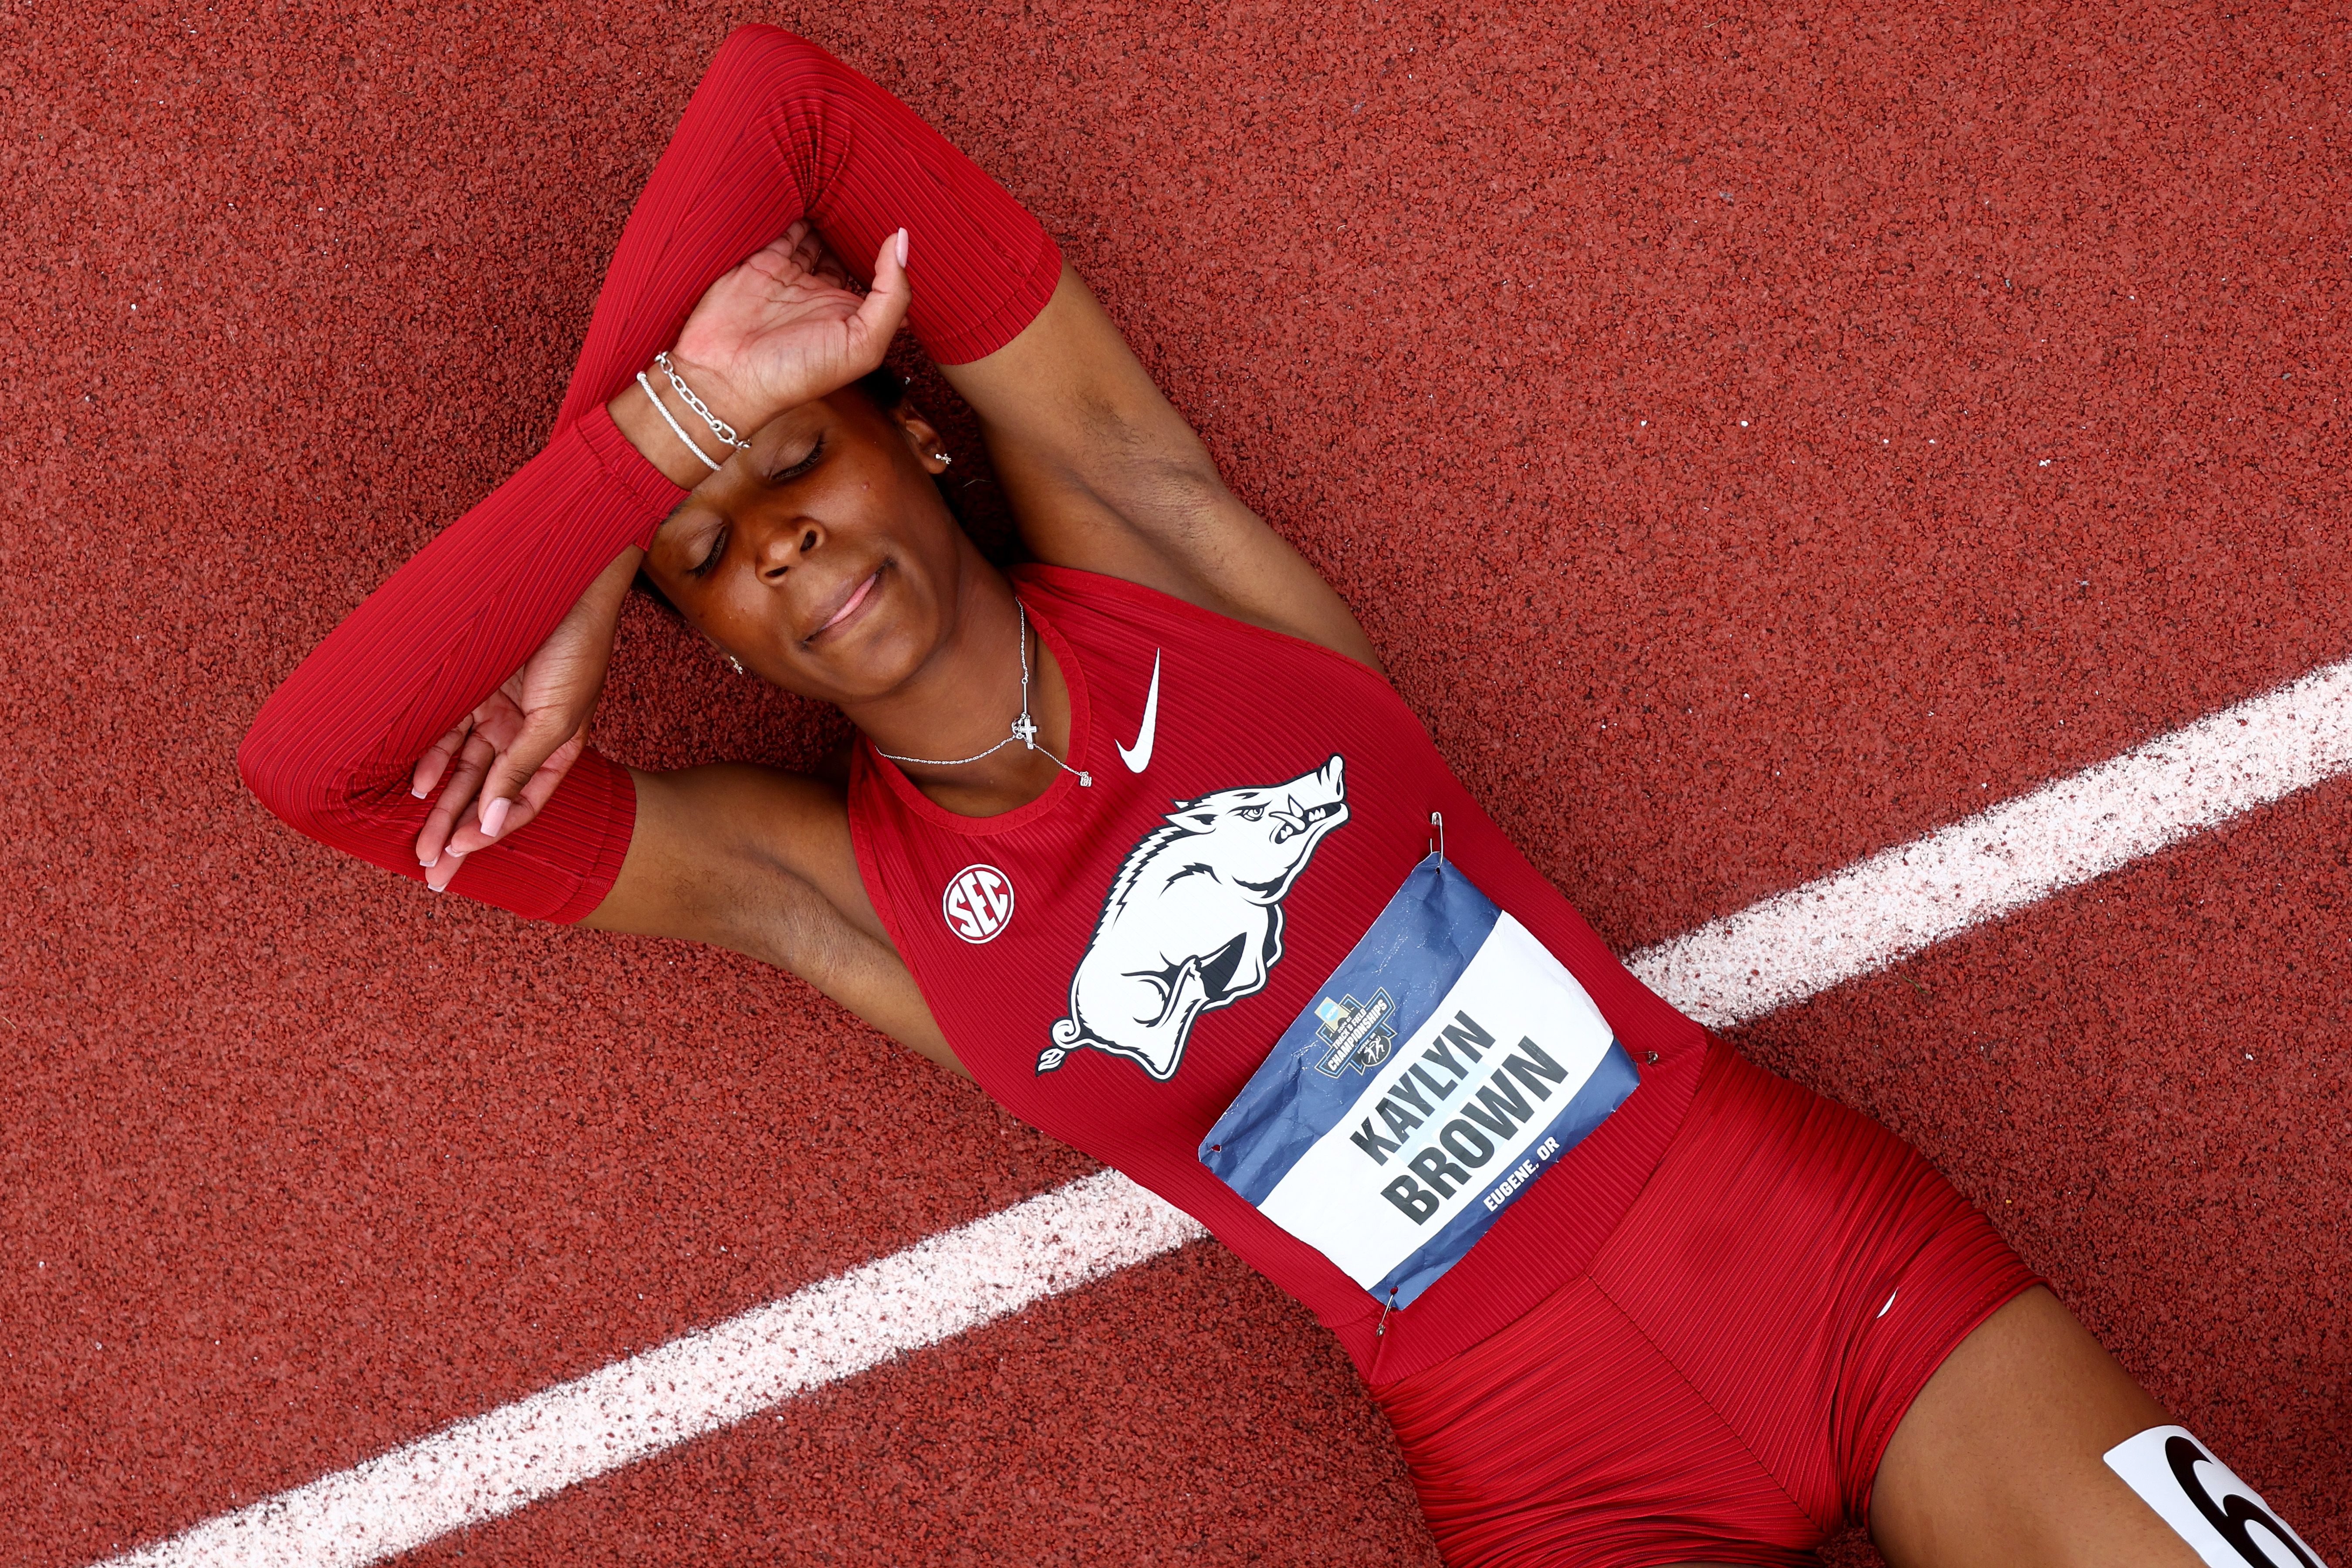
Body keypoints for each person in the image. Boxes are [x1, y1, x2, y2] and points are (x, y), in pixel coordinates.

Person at [240, 26, 2315, 1568]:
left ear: (920, 435)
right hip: (1553, 1480)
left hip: (1816, 1263)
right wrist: (638, 477)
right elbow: (307, 772)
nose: (771, 538)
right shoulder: (827, 889)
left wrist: (621, 529)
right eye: (710, 552)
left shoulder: (1153, 542)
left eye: (799, 456)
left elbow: (779, 97)